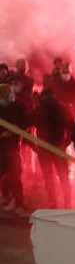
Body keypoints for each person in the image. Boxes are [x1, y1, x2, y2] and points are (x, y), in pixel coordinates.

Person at [30, 88, 73, 208]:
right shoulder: (40, 111)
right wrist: (33, 146)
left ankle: (62, 202)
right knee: (53, 177)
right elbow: (26, 126)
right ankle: (58, 202)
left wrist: (66, 142)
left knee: (59, 177)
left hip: (55, 148)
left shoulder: (57, 110)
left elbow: (71, 127)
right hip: (50, 149)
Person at [0, 84, 28, 215]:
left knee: (15, 177)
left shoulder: (16, 108)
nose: (11, 95)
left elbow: (24, 123)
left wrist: (17, 129)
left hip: (13, 147)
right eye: (8, 93)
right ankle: (7, 197)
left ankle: (18, 203)